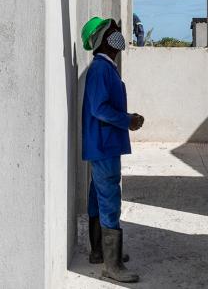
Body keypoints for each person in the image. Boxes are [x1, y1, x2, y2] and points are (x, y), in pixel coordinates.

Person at [80, 16, 144, 283]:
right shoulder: (100, 69)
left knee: (98, 197)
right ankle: (112, 265)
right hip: (104, 146)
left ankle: (99, 252)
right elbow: (99, 108)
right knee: (110, 201)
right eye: (115, 30)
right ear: (105, 38)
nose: (120, 33)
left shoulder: (104, 67)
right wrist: (127, 120)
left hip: (101, 144)